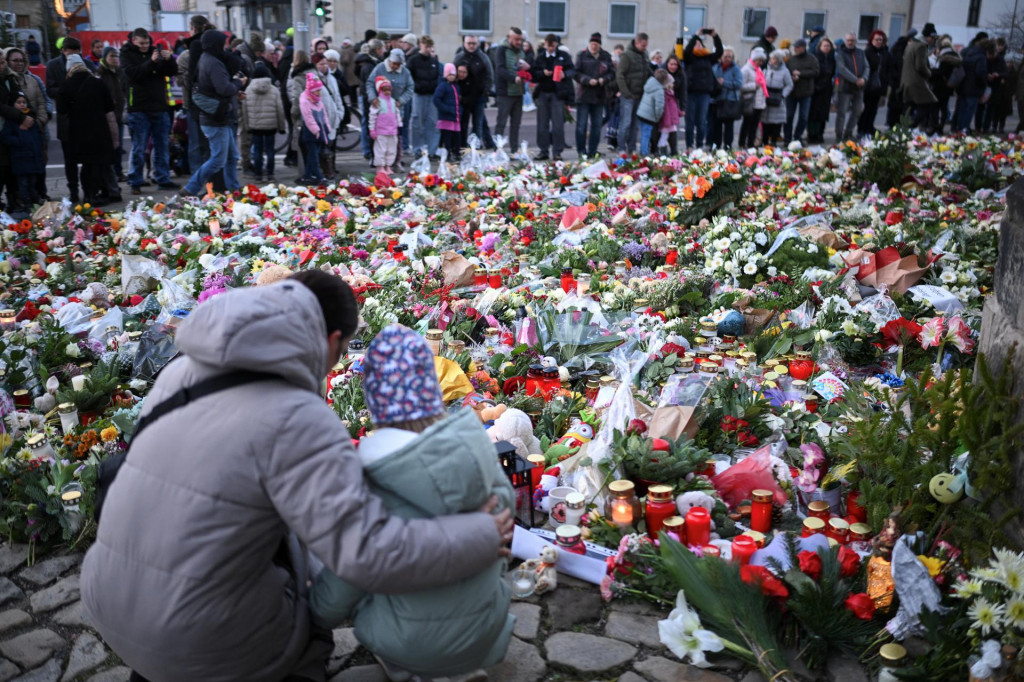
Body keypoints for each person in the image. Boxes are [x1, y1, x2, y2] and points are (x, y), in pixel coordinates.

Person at [81, 270, 514, 682]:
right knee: (310, 620)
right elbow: (364, 554)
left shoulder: (180, 370)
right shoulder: (296, 415)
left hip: (105, 600)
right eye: (343, 353)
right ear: (330, 341)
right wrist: (480, 533)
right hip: (194, 636)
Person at [309, 324, 513, 680]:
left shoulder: (376, 480)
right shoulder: (476, 451)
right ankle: (464, 663)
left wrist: (315, 612)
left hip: (411, 642)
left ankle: (412, 669)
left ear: (374, 399)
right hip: (485, 630)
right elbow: (505, 526)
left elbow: (351, 572)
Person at [180, 30, 246, 198]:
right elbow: (224, 88)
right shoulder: (213, 62)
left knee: (232, 156)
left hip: (219, 116)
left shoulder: (207, 59)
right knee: (218, 160)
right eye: (222, 43)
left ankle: (233, 190)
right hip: (216, 119)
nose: (225, 47)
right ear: (215, 44)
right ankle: (191, 188)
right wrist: (238, 83)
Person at [122, 28, 180, 194]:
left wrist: (169, 60)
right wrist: (152, 62)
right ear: (134, 41)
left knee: (161, 145)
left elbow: (171, 72)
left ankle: (162, 178)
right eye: (141, 43)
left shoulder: (155, 51)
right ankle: (135, 180)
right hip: (139, 107)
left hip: (159, 106)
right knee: (139, 147)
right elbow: (133, 74)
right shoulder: (126, 54)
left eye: (147, 43)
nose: (145, 46)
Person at [57, 55, 120, 207]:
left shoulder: (65, 86)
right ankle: (97, 193)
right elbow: (109, 109)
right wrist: (114, 136)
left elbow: (61, 109)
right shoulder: (98, 83)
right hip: (99, 131)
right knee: (98, 163)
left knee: (86, 164)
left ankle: (88, 195)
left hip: (78, 132)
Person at [5, 47, 51, 198]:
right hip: (17, 129)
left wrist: (40, 121)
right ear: (7, 62)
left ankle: (41, 194)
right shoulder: (7, 81)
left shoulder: (33, 80)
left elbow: (43, 102)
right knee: (20, 168)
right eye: (15, 60)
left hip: (37, 128)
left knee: (40, 163)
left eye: (21, 60)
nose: (19, 63)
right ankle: (21, 198)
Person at [177, 15, 214, 176]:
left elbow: (183, 81)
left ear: (193, 28)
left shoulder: (188, 53)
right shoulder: (214, 48)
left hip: (194, 102)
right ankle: (212, 177)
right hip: (214, 102)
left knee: (196, 143)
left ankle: (199, 178)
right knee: (212, 143)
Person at [366, 49, 414, 170]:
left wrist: (401, 101)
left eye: (398, 65)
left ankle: (396, 161)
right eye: (394, 64)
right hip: (380, 107)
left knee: (396, 137)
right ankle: (377, 160)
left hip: (396, 107)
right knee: (378, 137)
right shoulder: (380, 68)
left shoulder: (405, 72)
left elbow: (410, 87)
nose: (395, 66)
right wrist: (373, 98)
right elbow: (370, 83)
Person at [530, 33, 574, 161]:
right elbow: (534, 74)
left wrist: (564, 74)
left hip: (557, 94)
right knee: (542, 123)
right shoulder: (541, 57)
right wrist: (542, 73)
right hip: (543, 93)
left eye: (553, 46)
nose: (550, 49)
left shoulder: (563, 56)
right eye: (548, 46)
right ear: (545, 45)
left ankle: (557, 151)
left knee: (558, 124)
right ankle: (543, 150)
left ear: (556, 44)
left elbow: (572, 70)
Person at [241, 62, 285, 182]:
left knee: (257, 151)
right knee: (270, 150)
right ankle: (270, 174)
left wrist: (247, 126)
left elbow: (244, 111)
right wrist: (282, 126)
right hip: (270, 126)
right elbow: (279, 110)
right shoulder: (274, 90)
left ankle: (258, 175)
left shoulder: (248, 90)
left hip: (255, 126)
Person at [0, 93, 45, 210]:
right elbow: (6, 137)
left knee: (32, 182)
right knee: (23, 183)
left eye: (24, 102)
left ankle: (33, 199)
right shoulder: (12, 121)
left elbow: (37, 138)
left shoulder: (31, 119)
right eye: (18, 102)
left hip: (31, 157)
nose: (22, 105)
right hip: (20, 157)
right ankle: (26, 202)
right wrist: (19, 141)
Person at [574, 32, 614, 158]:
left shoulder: (605, 56)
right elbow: (576, 73)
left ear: (599, 45)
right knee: (581, 125)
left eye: (596, 44)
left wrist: (604, 80)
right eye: (592, 44)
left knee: (596, 125)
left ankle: (592, 150)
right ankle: (581, 151)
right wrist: (586, 80)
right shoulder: (582, 55)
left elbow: (612, 73)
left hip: (599, 95)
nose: (593, 46)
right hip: (584, 95)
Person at [684, 28, 724, 149]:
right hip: (691, 93)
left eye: (700, 43)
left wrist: (715, 36)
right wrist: (696, 36)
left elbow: (720, 51)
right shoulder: (689, 58)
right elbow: (687, 51)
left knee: (701, 121)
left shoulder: (708, 58)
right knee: (690, 121)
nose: (698, 45)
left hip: (704, 93)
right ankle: (689, 145)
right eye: (696, 44)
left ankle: (700, 144)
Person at [455, 35, 495, 149]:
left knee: (478, 124)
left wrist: (486, 91)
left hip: (479, 97)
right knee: (463, 123)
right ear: (464, 44)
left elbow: (489, 75)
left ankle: (475, 147)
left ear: (477, 44)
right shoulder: (459, 58)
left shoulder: (483, 57)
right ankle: (462, 147)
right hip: (464, 97)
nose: (471, 46)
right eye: (469, 43)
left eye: (474, 43)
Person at [615, 32, 652, 152]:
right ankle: (621, 148)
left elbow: (647, 71)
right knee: (625, 123)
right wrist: (626, 92)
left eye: (646, 45)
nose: (645, 48)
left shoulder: (644, 55)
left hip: (640, 94)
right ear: (636, 43)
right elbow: (620, 75)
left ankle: (631, 148)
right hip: (628, 95)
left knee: (635, 125)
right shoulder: (627, 55)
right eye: (642, 45)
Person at [492, 27, 528, 151]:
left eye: (521, 39)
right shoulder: (501, 50)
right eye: (516, 39)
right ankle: (497, 150)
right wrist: (513, 78)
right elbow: (500, 69)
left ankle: (514, 150)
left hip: (519, 92)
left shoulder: (522, 51)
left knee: (516, 124)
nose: (519, 42)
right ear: (509, 38)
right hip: (505, 92)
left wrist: (527, 70)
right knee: (501, 123)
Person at [96, 48, 127, 185]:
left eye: (116, 56)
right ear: (105, 57)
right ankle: (110, 173)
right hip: (107, 116)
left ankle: (118, 171)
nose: (115, 58)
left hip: (119, 114)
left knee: (118, 145)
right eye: (111, 56)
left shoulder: (120, 72)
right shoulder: (100, 73)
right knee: (109, 146)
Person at [407, 35, 440, 157]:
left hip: (431, 95)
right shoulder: (413, 60)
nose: (428, 49)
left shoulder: (433, 60)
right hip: (419, 94)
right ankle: (417, 150)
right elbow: (409, 78)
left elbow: (437, 76)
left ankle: (432, 150)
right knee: (417, 122)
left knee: (433, 122)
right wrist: (417, 87)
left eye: (430, 46)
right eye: (426, 46)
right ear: (420, 45)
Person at [900, 24, 937, 131]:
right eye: (933, 38)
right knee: (928, 103)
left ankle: (904, 127)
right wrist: (929, 73)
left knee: (909, 106)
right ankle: (910, 126)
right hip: (916, 81)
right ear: (928, 37)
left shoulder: (911, 44)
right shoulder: (921, 46)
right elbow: (920, 65)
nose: (933, 40)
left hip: (906, 81)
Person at [311, 54, 343, 180]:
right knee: (322, 149)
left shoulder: (332, 78)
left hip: (333, 117)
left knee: (331, 147)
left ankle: (331, 169)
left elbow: (337, 97)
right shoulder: (313, 79)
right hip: (321, 120)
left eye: (325, 63)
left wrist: (340, 113)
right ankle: (324, 172)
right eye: (321, 64)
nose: (325, 66)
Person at [834, 33, 869, 142]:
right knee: (842, 113)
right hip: (845, 87)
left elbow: (867, 66)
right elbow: (842, 69)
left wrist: (864, 78)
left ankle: (848, 132)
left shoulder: (860, 52)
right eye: (848, 40)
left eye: (852, 40)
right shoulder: (840, 53)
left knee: (857, 111)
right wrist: (855, 79)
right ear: (845, 41)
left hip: (859, 88)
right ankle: (839, 136)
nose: (850, 42)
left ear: (855, 41)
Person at [297, 72, 330, 185]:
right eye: (317, 90)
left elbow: (324, 113)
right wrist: (316, 130)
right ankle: (318, 175)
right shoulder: (305, 100)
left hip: (320, 131)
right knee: (313, 155)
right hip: (311, 133)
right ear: (311, 91)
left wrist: (327, 127)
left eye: (320, 90)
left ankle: (307, 175)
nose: (319, 93)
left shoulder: (318, 100)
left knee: (314, 154)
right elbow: (308, 117)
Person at [783, 39, 819, 143]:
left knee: (803, 117)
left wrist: (801, 74)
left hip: (806, 92)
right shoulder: (791, 60)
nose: (796, 49)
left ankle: (798, 136)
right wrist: (791, 77)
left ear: (803, 48)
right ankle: (787, 138)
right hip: (792, 93)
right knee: (789, 116)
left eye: (798, 47)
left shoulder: (812, 59)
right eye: (795, 47)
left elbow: (816, 72)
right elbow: (786, 72)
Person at [355, 39, 384, 161]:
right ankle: (368, 151)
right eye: (382, 49)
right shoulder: (368, 65)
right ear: (377, 50)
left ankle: (372, 151)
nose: (383, 51)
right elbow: (369, 83)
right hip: (369, 98)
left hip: (370, 96)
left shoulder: (372, 63)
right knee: (368, 123)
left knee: (370, 123)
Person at [709, 47, 743, 149]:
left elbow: (739, 84)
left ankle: (728, 146)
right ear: (721, 57)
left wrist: (725, 83)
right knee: (717, 126)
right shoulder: (716, 67)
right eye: (725, 56)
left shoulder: (736, 69)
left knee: (729, 126)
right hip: (717, 100)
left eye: (729, 57)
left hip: (729, 101)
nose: (727, 58)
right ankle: (716, 145)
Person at [858, 30, 890, 136]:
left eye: (881, 40)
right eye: (876, 39)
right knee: (866, 108)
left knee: (874, 108)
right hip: (869, 85)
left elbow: (887, 68)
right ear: (871, 40)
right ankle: (862, 129)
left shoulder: (885, 53)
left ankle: (869, 127)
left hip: (879, 85)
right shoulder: (867, 52)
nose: (879, 42)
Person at [957, 39, 991, 133]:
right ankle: (965, 128)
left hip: (964, 85)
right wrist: (984, 84)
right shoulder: (981, 57)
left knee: (962, 109)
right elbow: (980, 73)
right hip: (974, 87)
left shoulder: (969, 53)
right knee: (970, 109)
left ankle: (960, 127)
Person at [369, 76, 401, 174]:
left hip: (392, 131)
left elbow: (397, 115)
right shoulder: (377, 102)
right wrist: (372, 129)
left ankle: (388, 166)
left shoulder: (393, 101)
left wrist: (399, 126)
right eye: (385, 90)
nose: (387, 92)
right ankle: (380, 167)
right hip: (381, 131)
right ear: (380, 90)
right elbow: (372, 116)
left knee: (391, 150)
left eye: (389, 90)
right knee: (380, 150)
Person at [806, 37, 835, 144]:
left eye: (828, 46)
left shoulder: (831, 59)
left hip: (826, 90)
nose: (826, 48)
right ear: (820, 47)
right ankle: (811, 134)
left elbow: (832, 73)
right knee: (813, 114)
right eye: (824, 46)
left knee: (823, 114)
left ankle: (820, 134)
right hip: (816, 89)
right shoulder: (815, 57)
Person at [931, 36, 962, 134]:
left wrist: (931, 71)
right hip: (949, 87)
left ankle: (937, 127)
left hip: (939, 86)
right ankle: (941, 126)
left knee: (936, 108)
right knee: (944, 107)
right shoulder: (956, 56)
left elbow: (941, 72)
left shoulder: (945, 57)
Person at [762, 49, 793, 146]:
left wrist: (783, 95)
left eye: (774, 58)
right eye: (771, 58)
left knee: (776, 124)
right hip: (767, 98)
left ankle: (774, 142)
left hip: (778, 99)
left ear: (778, 60)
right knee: (765, 123)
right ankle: (764, 142)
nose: (771, 60)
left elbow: (789, 85)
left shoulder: (785, 71)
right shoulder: (766, 69)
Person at [637, 68, 671, 155]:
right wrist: (657, 117)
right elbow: (659, 107)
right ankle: (644, 153)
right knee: (646, 135)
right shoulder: (659, 90)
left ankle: (642, 150)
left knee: (643, 133)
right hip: (649, 116)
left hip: (641, 113)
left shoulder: (650, 83)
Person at [739, 47, 768, 148]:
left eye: (762, 60)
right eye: (759, 60)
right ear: (754, 59)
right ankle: (742, 143)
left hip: (759, 102)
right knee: (747, 124)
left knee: (755, 125)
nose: (761, 62)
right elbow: (741, 86)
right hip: (750, 101)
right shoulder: (746, 70)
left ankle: (751, 144)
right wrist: (754, 86)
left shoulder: (759, 70)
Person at [433, 63, 461, 161]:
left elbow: (458, 100)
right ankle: (447, 154)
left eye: (453, 75)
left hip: (455, 117)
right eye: (450, 75)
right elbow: (436, 99)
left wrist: (459, 110)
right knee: (447, 138)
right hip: (446, 117)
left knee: (456, 136)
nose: (452, 77)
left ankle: (456, 153)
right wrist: (446, 109)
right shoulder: (443, 86)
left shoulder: (456, 86)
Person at [983, 38, 1009, 132]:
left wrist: (998, 75)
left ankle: (988, 126)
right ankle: (982, 126)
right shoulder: (986, 58)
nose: (1000, 48)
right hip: (987, 85)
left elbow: (1006, 72)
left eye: (1001, 45)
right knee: (983, 107)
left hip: (996, 87)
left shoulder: (1001, 59)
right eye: (998, 45)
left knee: (993, 108)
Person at [663, 54, 686, 154]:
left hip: (673, 104)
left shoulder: (681, 75)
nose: (673, 66)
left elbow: (683, 93)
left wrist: (683, 108)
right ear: (667, 64)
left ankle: (674, 149)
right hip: (663, 104)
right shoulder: (662, 73)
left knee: (673, 127)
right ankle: (660, 149)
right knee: (662, 129)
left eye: (675, 64)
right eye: (671, 64)